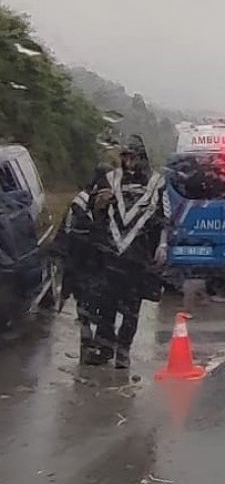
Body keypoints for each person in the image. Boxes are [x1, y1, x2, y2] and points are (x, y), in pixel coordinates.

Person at [86, 135, 169, 369]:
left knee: (131, 308)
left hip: (138, 255)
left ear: (141, 158)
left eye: (132, 157)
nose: (128, 162)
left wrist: (162, 244)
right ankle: (104, 349)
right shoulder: (111, 178)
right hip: (111, 253)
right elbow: (94, 209)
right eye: (124, 157)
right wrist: (98, 203)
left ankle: (123, 351)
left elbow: (164, 218)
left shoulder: (156, 183)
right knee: (106, 304)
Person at [51, 165, 111, 364]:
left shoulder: (111, 202)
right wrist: (60, 254)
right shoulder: (80, 203)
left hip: (96, 263)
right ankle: (87, 341)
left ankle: (97, 341)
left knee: (96, 303)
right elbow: (66, 231)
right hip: (81, 261)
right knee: (84, 301)